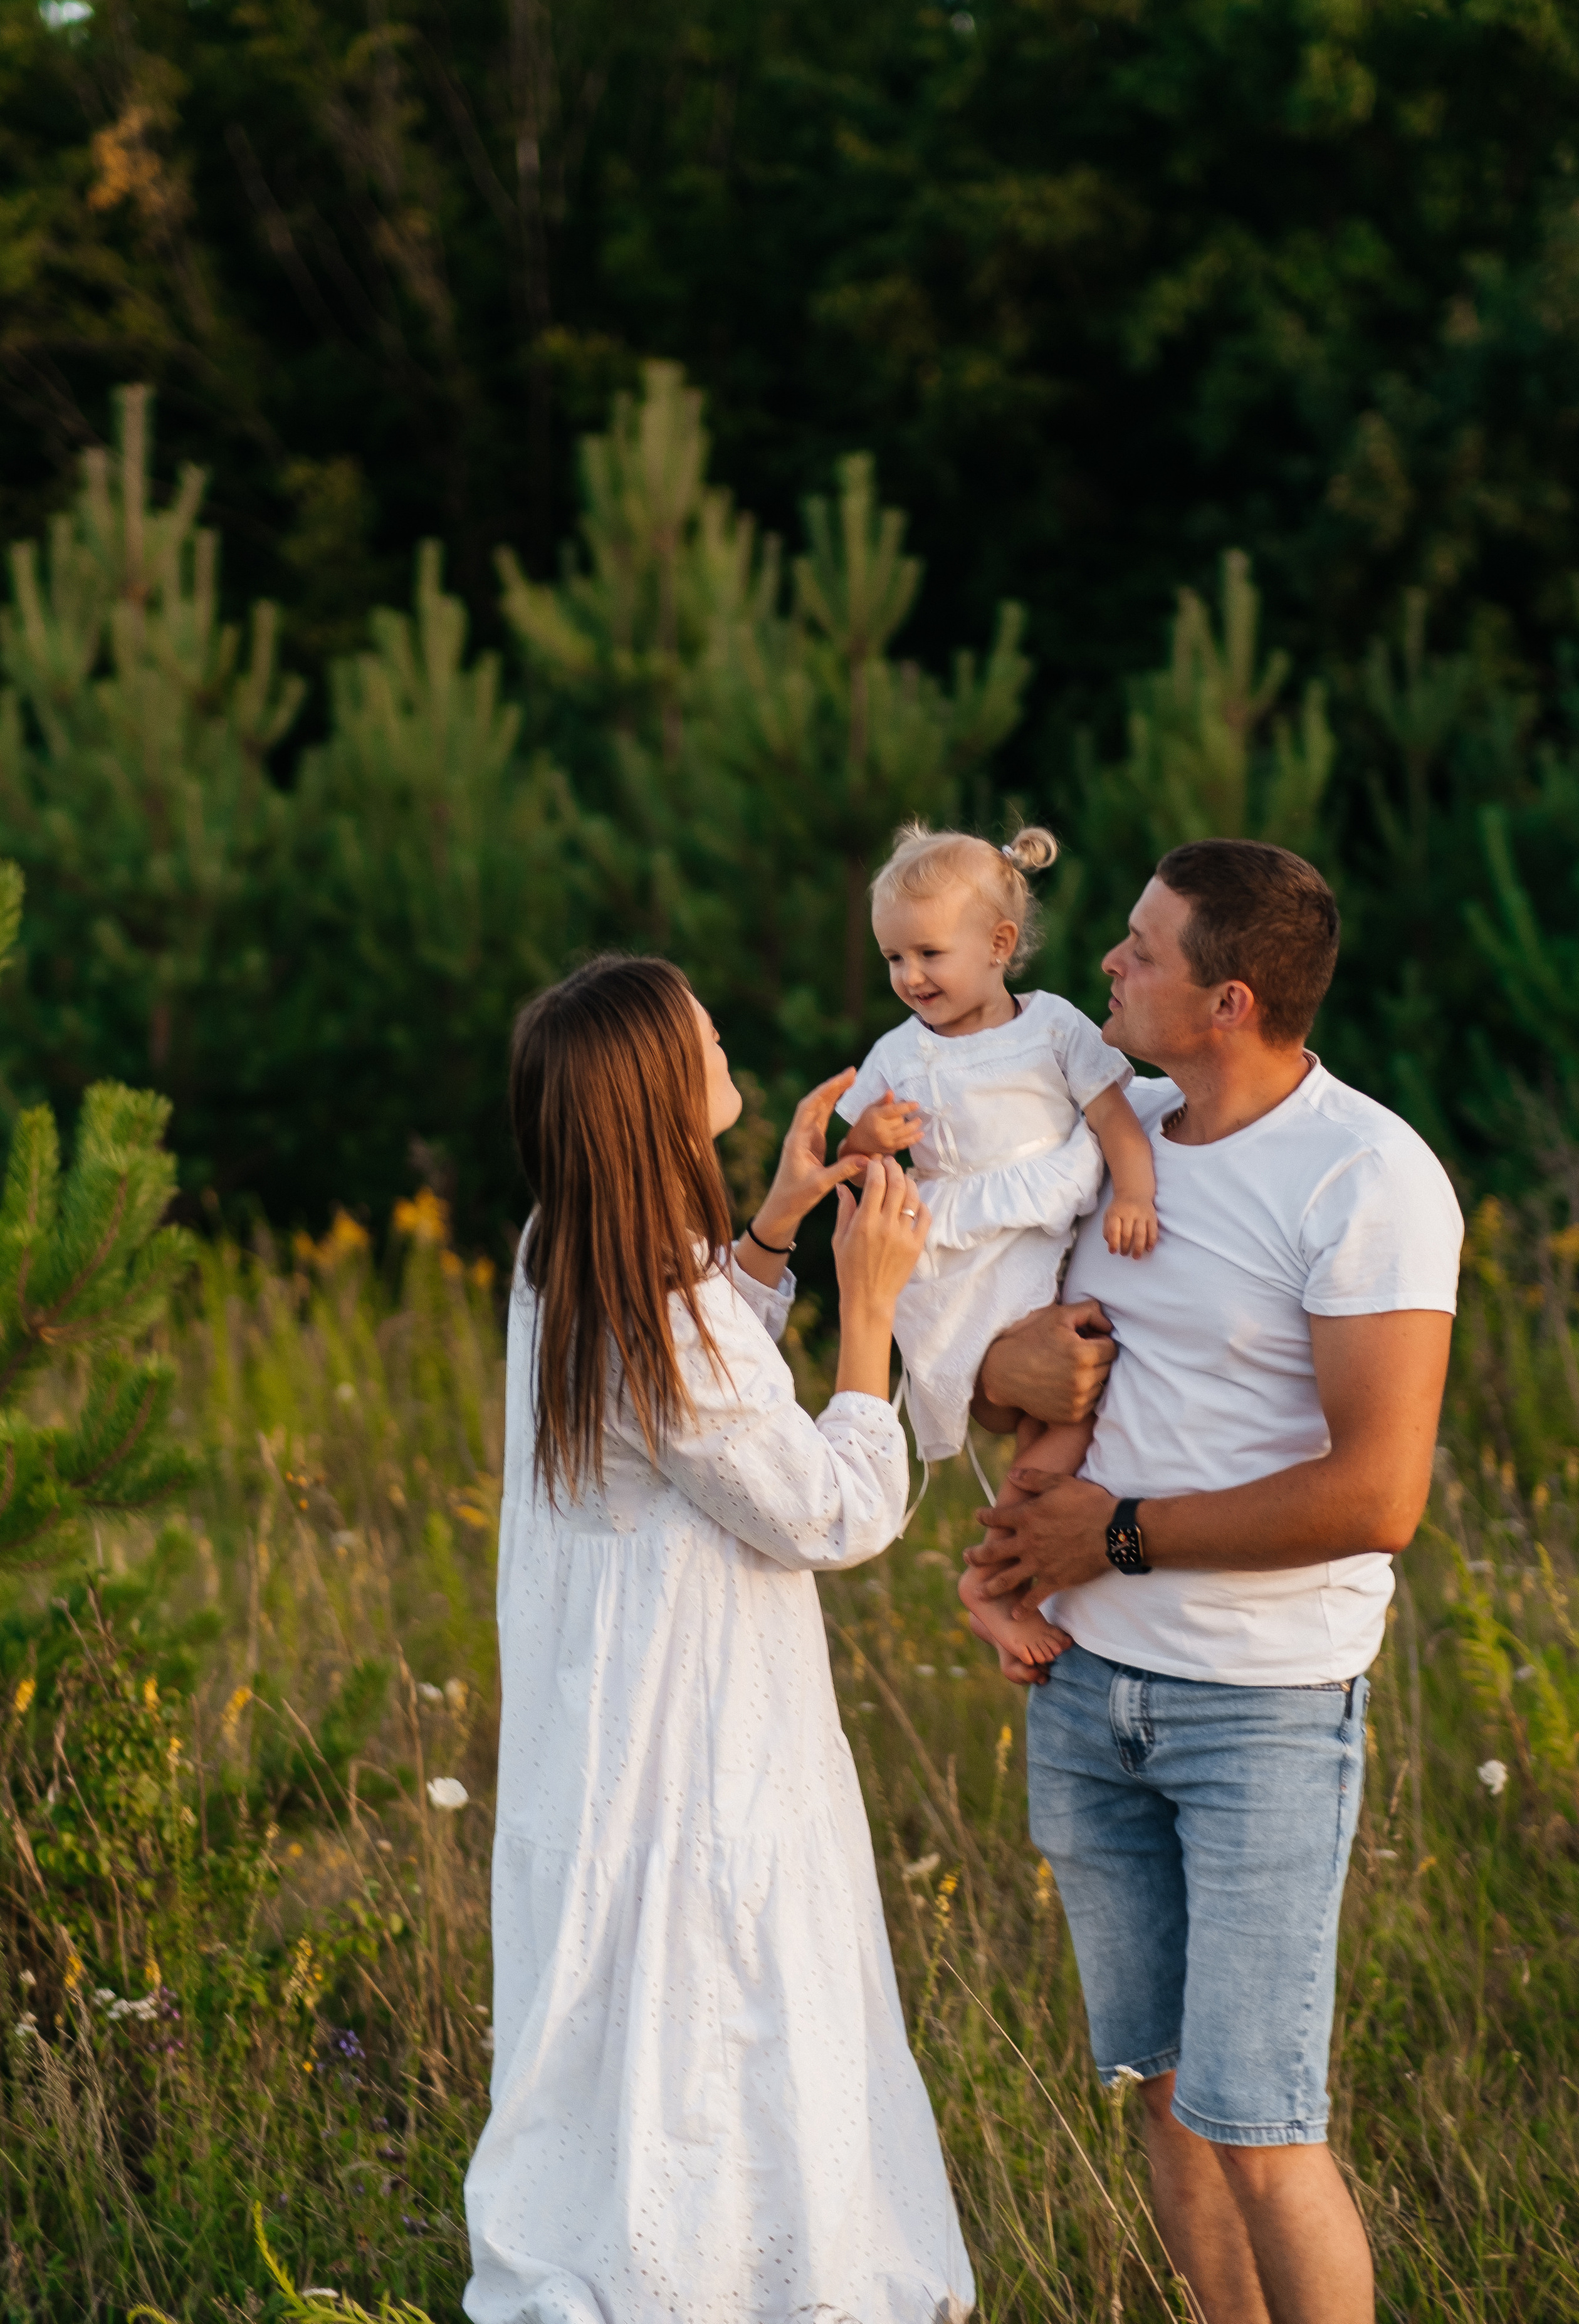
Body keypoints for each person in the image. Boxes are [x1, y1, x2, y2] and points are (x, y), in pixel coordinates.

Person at [963, 840, 1462, 2324]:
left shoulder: (1364, 1177)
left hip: (1259, 1711)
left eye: (1140, 947)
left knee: (1261, 2125)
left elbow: (1377, 1497)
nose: (1104, 964)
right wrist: (1002, 1369)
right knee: (1169, 2103)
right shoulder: (1105, 1141)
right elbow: (997, 1368)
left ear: (1227, 1000)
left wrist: (1112, 1536)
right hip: (1083, 1693)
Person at [463, 953, 975, 2324]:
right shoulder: (661, 1312)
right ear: (656, 1099)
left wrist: (772, 1232)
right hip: (700, 1754)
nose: (721, 1038)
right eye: (701, 1036)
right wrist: (869, 1308)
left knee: (643, 2038)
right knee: (733, 2026)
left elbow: (694, 1400)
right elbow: (830, 1511)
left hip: (612, 1742)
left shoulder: (565, 1253)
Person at [835, 822, 1158, 1670]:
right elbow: (853, 1164)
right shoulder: (898, 1053)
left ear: (999, 945)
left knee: (1067, 1423)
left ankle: (997, 1579)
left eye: (929, 954)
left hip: (1043, 1233)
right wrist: (869, 1138)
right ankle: (1000, 1582)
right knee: (1053, 1409)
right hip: (963, 1256)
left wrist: (1135, 1194)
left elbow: (1115, 1120)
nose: (909, 977)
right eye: (894, 958)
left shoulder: (1052, 1028)